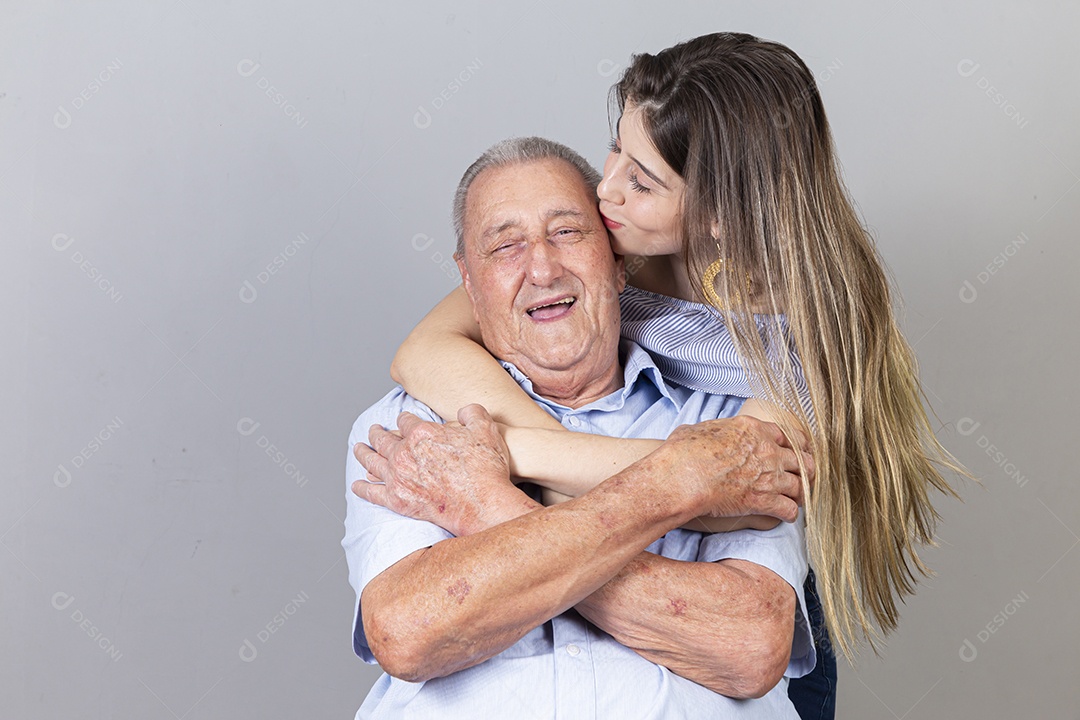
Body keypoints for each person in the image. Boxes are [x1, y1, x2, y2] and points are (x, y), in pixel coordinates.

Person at [391, 32, 965, 719]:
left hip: (771, 587)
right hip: (655, 482)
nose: (604, 190)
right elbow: (423, 350)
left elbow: (745, 497)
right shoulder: (618, 242)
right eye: (617, 149)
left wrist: (499, 470)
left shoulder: (812, 331)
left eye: (643, 181)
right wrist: (652, 468)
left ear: (720, 216)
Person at [343, 137, 818, 719]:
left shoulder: (728, 422)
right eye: (505, 246)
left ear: (619, 262)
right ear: (467, 282)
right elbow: (410, 631)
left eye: (567, 232)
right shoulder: (412, 428)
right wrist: (674, 481)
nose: (542, 268)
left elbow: (747, 644)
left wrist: (487, 506)